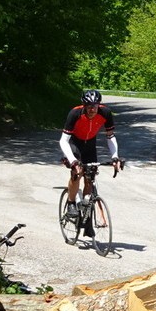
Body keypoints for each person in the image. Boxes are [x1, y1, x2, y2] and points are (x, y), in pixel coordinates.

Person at [60, 90, 122, 232]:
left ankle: (86, 211)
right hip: (75, 143)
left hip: (90, 144)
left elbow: (110, 136)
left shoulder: (105, 113)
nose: (92, 109)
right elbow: (64, 140)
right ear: (84, 105)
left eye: (95, 106)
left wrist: (115, 157)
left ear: (99, 105)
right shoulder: (75, 114)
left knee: (90, 176)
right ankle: (71, 202)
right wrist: (73, 160)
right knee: (77, 172)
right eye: (88, 106)